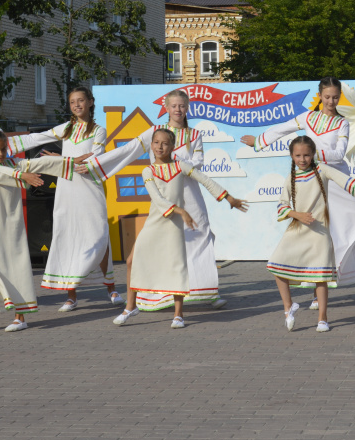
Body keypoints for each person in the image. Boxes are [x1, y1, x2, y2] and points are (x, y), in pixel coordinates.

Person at [81, 90, 229, 311]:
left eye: (182, 106)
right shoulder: (155, 132)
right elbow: (128, 150)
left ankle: (207, 291)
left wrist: (173, 160)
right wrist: (95, 164)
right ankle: (160, 295)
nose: (178, 110)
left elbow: (198, 162)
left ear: (187, 108)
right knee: (164, 245)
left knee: (200, 237)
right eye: (174, 106)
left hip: (190, 194)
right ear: (166, 108)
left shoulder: (194, 134)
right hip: (165, 196)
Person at [242, 77, 355, 310]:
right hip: (316, 182)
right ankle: (317, 292)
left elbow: (338, 154)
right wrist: (260, 141)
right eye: (327, 97)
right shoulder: (308, 117)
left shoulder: (342, 123)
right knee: (319, 233)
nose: (331, 101)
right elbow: (283, 127)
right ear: (320, 96)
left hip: (338, 181)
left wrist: (309, 153)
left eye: (335, 97)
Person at [105, 129, 248, 329]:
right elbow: (157, 199)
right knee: (131, 261)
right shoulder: (148, 171)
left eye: (165, 143)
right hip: (155, 223)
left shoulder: (180, 166)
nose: (160, 146)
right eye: (156, 142)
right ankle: (131, 307)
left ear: (172, 147)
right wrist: (181, 211)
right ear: (151, 145)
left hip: (173, 226)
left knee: (176, 267)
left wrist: (229, 198)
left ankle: (178, 315)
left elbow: (205, 180)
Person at [7, 86, 120, 311]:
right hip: (67, 189)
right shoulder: (66, 128)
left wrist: (62, 160)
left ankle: (111, 288)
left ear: (90, 102)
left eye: (81, 100)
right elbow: (38, 138)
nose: (77, 105)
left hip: (90, 190)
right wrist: (6, 144)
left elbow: (93, 160)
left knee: (99, 236)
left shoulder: (99, 130)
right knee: (68, 237)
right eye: (72, 102)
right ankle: (71, 295)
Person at [0, 130, 78, 332]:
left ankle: (20, 317)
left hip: (10, 226)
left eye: (3, 149)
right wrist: (22, 175)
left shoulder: (14, 164)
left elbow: (39, 164)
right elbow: (0, 174)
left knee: (14, 268)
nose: (1, 154)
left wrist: (70, 161)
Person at [270, 136, 355, 333]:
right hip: (297, 230)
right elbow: (281, 205)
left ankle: (322, 318)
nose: (302, 159)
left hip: (319, 233)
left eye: (306, 155)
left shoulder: (322, 170)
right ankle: (288, 307)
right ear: (292, 156)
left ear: (313, 154)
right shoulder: (291, 178)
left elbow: (346, 181)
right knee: (276, 265)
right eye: (298, 155)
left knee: (320, 277)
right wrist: (298, 215)